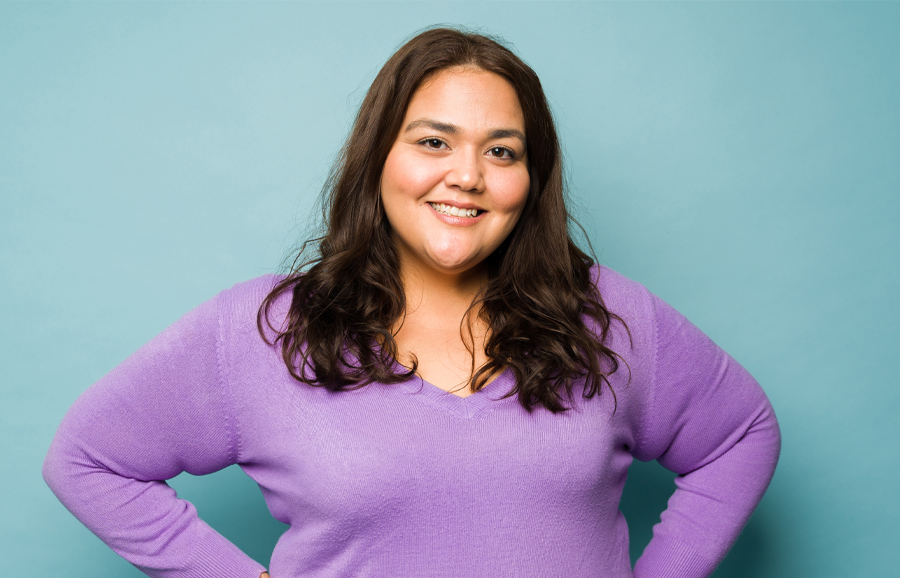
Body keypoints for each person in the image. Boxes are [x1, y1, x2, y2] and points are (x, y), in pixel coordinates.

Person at [43, 27, 780, 578]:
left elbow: (740, 434)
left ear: (531, 181)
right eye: (433, 142)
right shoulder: (266, 331)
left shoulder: (610, 318)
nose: (467, 175)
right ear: (379, 158)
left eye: (502, 151)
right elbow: (88, 459)